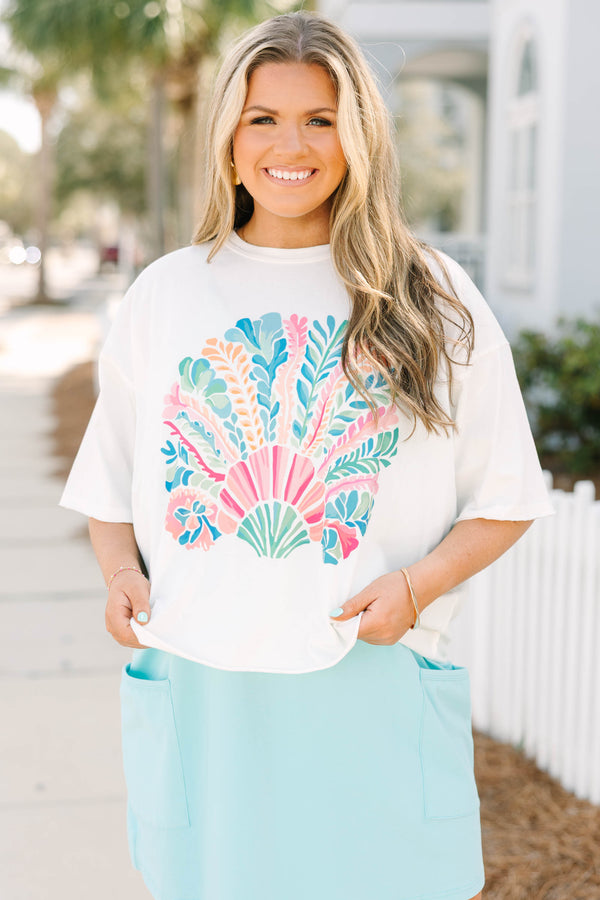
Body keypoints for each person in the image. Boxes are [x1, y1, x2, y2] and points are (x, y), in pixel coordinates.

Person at [60, 10, 554, 900]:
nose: (292, 145)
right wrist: (117, 575)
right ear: (229, 136)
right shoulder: (166, 292)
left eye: (320, 119)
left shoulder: (430, 295)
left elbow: (509, 495)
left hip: (366, 674)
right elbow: (110, 476)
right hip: (200, 682)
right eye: (264, 118)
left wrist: (415, 587)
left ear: (357, 133)